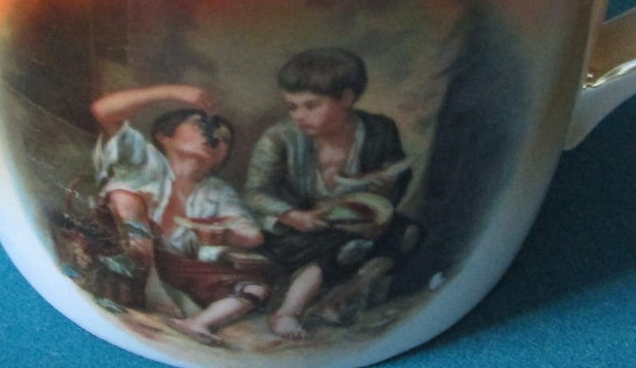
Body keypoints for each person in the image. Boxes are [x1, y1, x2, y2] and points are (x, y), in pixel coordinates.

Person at [246, 48, 415, 338]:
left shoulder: (379, 130)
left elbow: (398, 174)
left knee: (407, 234)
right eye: (292, 107)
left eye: (311, 106)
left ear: (346, 98)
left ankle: (335, 301)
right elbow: (255, 192)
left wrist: (383, 193)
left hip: (356, 222)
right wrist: (292, 215)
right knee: (341, 244)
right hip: (295, 230)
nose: (299, 116)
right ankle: (287, 312)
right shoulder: (280, 138)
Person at [90, 84, 274, 347]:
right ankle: (151, 285)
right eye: (200, 126)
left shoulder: (217, 192)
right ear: (165, 136)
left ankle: (198, 323)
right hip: (123, 245)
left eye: (224, 138)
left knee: (256, 288)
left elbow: (252, 236)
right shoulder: (145, 159)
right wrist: (174, 93)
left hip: (177, 266)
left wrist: (221, 232)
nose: (214, 138)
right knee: (124, 196)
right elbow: (102, 110)